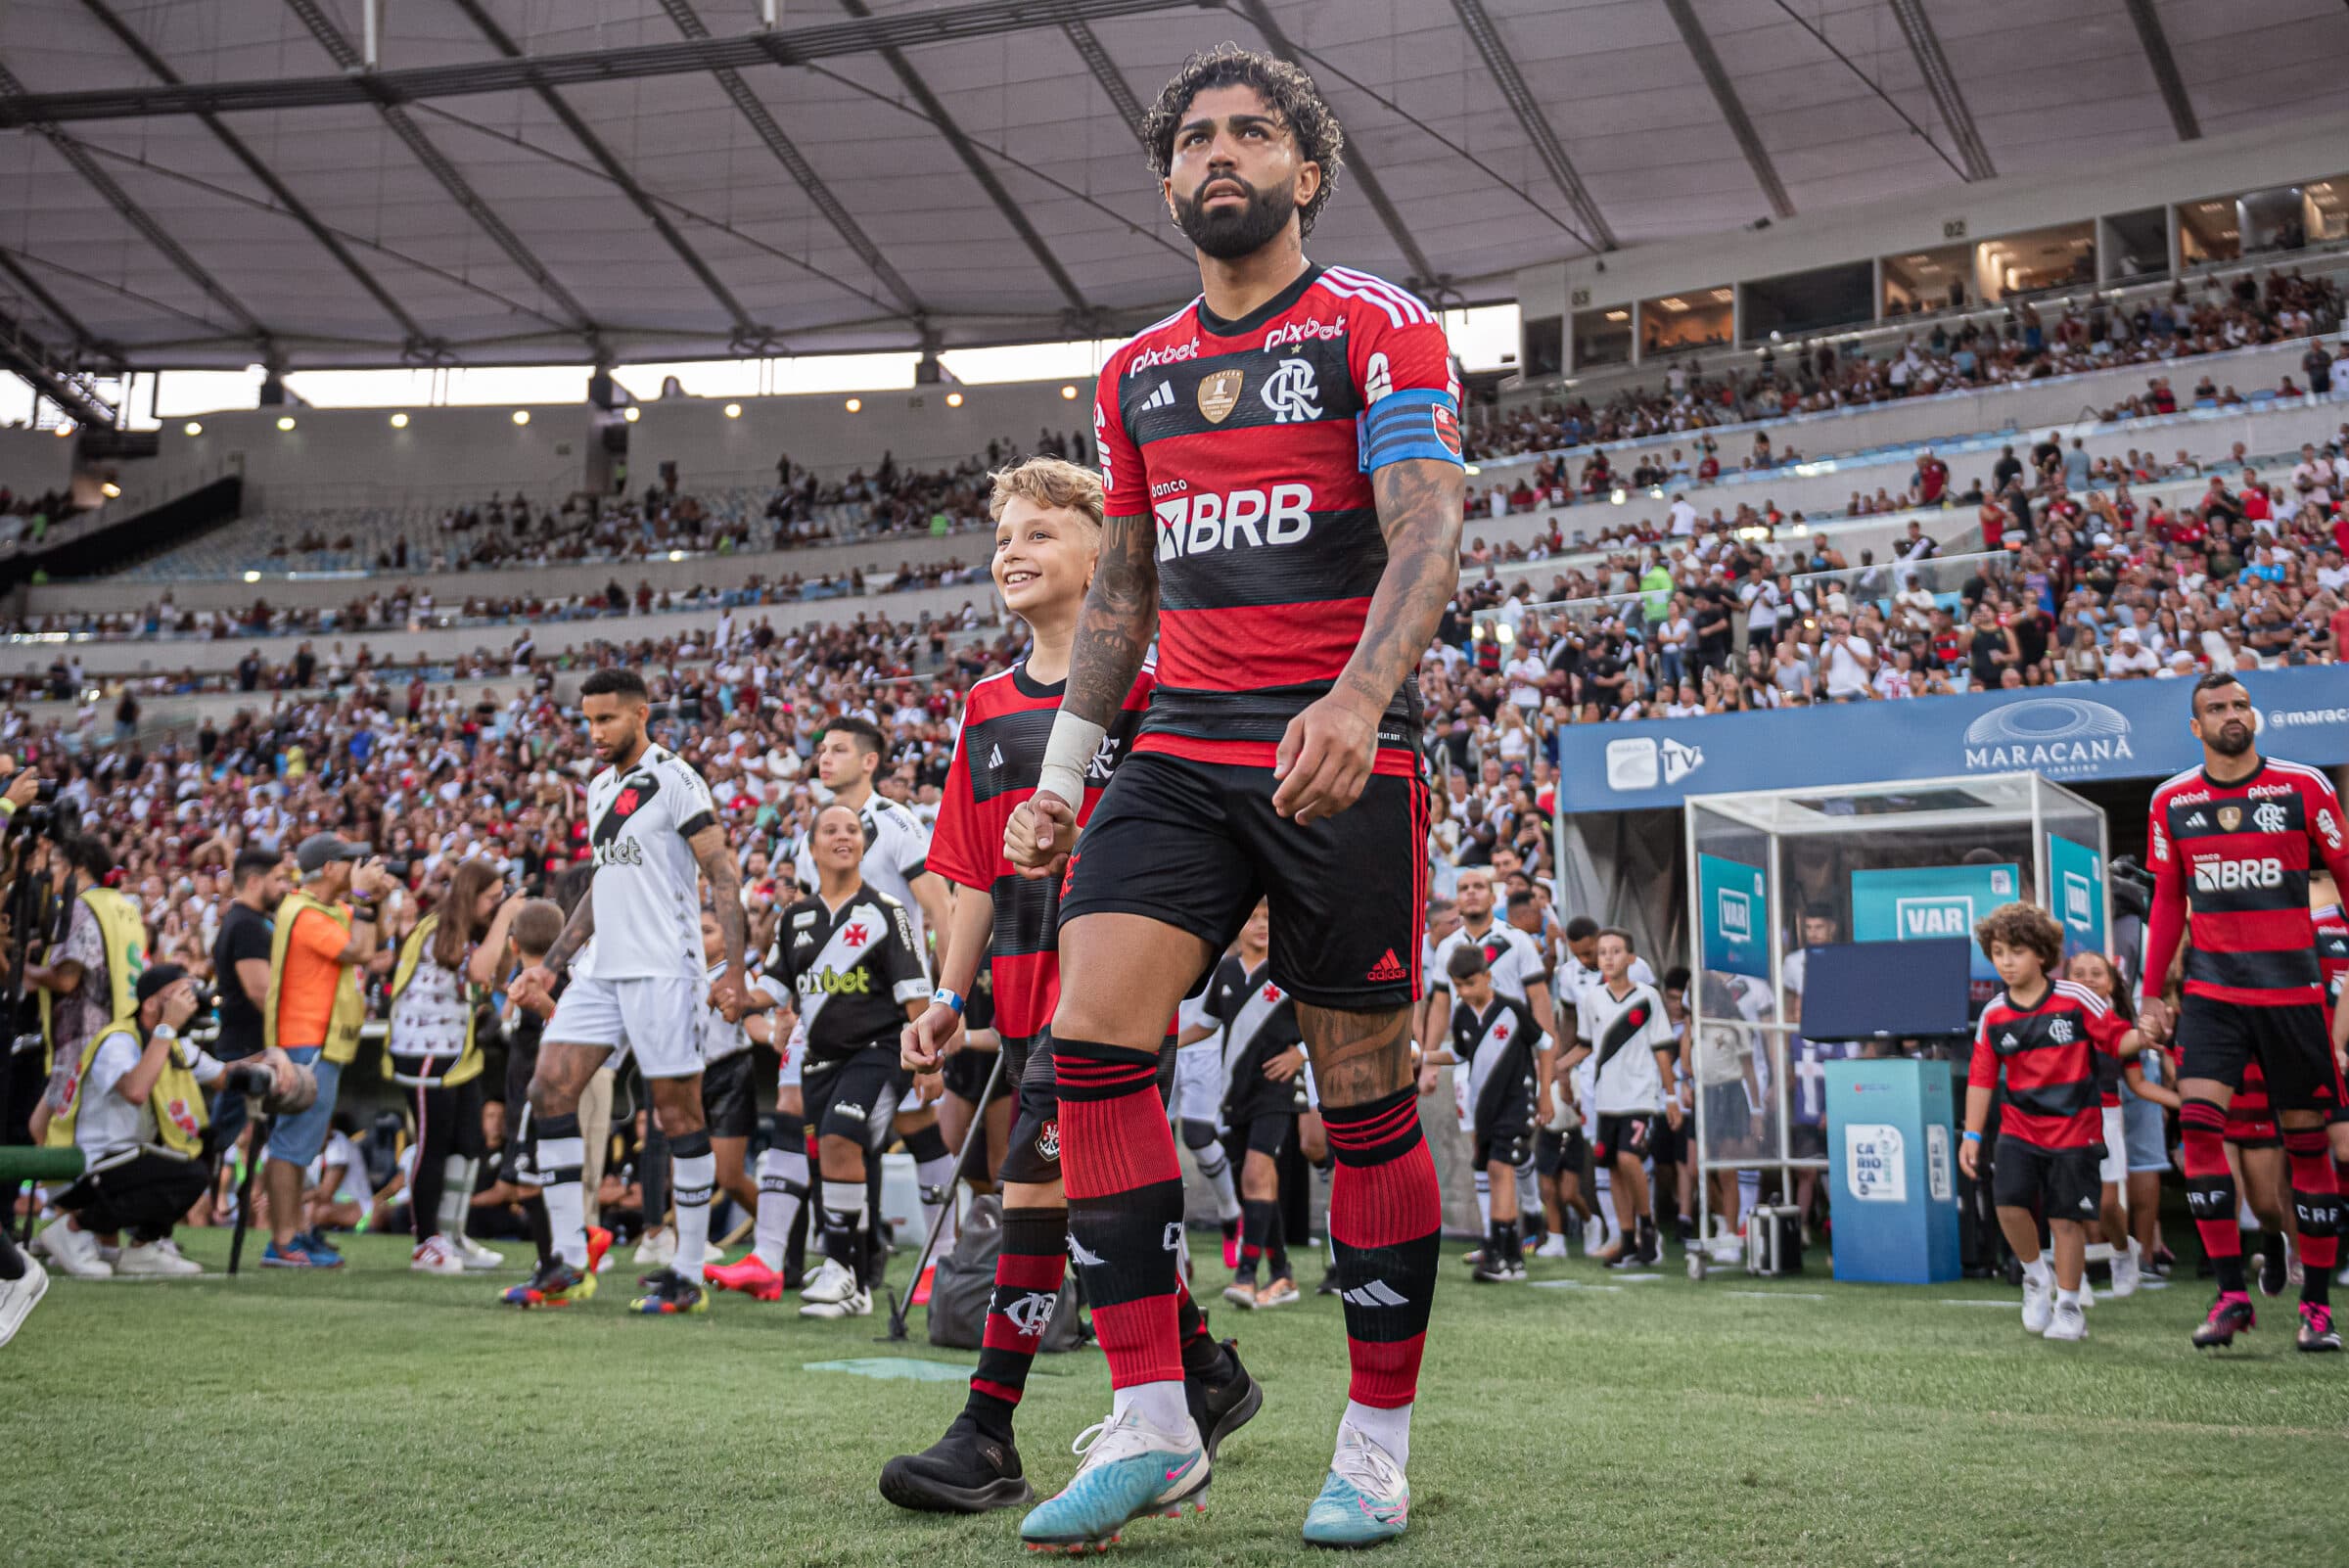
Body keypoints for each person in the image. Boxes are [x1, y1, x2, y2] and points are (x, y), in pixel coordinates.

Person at [1006, 43, 1464, 1549]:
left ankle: (1375, 1445)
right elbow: (1124, 591)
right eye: (1196, 137)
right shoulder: (1135, 371)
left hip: (1341, 749)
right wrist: (1065, 774)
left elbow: (1429, 529)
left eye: (1253, 132)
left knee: (1364, 1099)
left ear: (1306, 171)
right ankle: (1155, 1421)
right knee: (1091, 1046)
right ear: (1166, 182)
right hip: (1184, 747)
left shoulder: (1378, 326)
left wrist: (1359, 697)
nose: (1221, 153)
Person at [881, 456, 1258, 1515]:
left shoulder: (1154, 689)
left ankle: (987, 1431)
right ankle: (1207, 1371)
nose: (1014, 550)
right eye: (1005, 535)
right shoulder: (986, 705)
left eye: (1041, 532)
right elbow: (969, 872)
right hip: (1018, 992)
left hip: (1121, 990)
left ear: (1107, 559)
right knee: (1090, 1197)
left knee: (1035, 1188)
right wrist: (946, 997)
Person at [505, 667, 748, 1315]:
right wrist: (552, 966)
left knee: (676, 1114)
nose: (595, 732)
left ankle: (688, 1272)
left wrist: (734, 971)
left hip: (665, 968)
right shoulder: (599, 787)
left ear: (641, 715)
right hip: (602, 970)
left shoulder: (676, 779)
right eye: (588, 720)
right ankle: (566, 1259)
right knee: (548, 1089)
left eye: (606, 719)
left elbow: (722, 875)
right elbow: (601, 885)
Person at [2139, 672, 2349, 1353]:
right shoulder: (2171, 799)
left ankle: (2316, 1309)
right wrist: (2150, 992)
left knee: (2309, 1146)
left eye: (2240, 705)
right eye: (2217, 708)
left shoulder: (2303, 786)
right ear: (2195, 727)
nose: (2233, 714)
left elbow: (2346, 870)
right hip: (2213, 995)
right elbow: (2168, 900)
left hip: (2293, 993)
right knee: (2199, 1132)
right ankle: (2232, 1296)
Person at [764, 803, 930, 1319]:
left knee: (840, 1139)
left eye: (853, 830)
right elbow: (774, 989)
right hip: (819, 1060)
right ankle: (853, 1282)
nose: (844, 836)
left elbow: (914, 992)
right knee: (829, 1159)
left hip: (879, 1052)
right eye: (832, 830)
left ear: (863, 845)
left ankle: (839, 1268)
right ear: (811, 847)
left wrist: (931, 1061)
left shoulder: (886, 911)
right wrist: (737, 997)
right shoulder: (794, 918)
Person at [1960, 904, 2146, 1342]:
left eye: (2016, 951)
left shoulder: (2076, 998)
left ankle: (2068, 1308)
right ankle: (2035, 1277)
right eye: (1998, 952)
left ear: (2042, 954)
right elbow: (1981, 1077)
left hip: (2075, 1131)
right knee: (2008, 1206)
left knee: (2066, 1221)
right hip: (2019, 1129)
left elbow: (2117, 1039)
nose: (2006, 962)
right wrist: (1971, 1133)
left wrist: (2149, 1036)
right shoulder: (1993, 1014)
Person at [33, 965, 285, 1277]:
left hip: (126, 1161)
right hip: (85, 1165)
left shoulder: (175, 1043)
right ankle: (72, 1230)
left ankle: (143, 1247)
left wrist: (273, 1056)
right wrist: (167, 1027)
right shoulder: (118, 1041)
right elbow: (135, 1090)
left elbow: (223, 1076)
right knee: (187, 1173)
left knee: (202, 1153)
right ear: (151, 1003)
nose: (189, 1002)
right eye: (180, 994)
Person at [385, 858, 524, 1275]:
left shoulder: (471, 930)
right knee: (433, 1146)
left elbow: (495, 976)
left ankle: (452, 1235)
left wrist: (503, 928)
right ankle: (425, 1241)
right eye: (491, 897)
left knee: (468, 1142)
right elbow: (478, 970)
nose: (497, 904)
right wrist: (504, 918)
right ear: (471, 895)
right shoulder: (439, 929)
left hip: (456, 1054)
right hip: (424, 1054)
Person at [259, 834, 392, 1268]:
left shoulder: (329, 908)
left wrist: (375, 901)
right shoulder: (303, 912)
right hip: (304, 1041)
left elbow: (379, 937)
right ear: (330, 868)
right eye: (350, 862)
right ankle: (283, 1241)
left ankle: (296, 1232)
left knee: (303, 1144)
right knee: (291, 1143)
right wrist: (364, 899)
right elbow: (361, 950)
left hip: (323, 1040)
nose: (357, 868)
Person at [1419, 868, 1555, 1252]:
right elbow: (1439, 1006)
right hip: (1469, 1058)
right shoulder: (1448, 947)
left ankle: (1531, 1212)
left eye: (1479, 886)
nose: (1472, 893)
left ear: (1493, 897)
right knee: (1481, 1147)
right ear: (1457, 900)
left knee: (1510, 1151)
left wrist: (1547, 1062)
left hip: (1514, 1057)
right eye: (1464, 888)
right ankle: (1494, 1236)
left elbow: (1539, 1000)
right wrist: (1429, 1062)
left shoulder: (1517, 940)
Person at [1188, 901, 1310, 1310]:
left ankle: (1245, 1275)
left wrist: (1300, 1054)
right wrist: (1162, 1042)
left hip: (1277, 1090)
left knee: (1257, 1174)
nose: (1260, 925)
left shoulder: (1290, 968)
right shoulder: (1224, 971)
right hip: (1234, 1094)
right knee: (1257, 1183)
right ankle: (1282, 1273)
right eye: (1252, 918)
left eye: (1268, 918)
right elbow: (1206, 1025)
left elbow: (1321, 1021)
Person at [1419, 944, 1544, 1282]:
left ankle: (1501, 1250)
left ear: (1488, 976)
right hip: (1484, 1108)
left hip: (1516, 1102)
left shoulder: (1512, 1009)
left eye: (1470, 983)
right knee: (1492, 1170)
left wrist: (1545, 1094)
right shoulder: (1462, 1014)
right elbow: (1460, 1054)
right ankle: (1509, 1255)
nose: (1463, 991)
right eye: (1457, 985)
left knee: (1500, 1169)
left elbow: (1545, 1044)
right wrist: (1425, 1057)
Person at [1556, 929, 1679, 1268]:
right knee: (1611, 1164)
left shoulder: (1648, 997)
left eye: (1616, 951)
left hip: (1640, 1094)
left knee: (1628, 1157)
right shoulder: (1592, 999)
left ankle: (1647, 1227)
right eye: (1603, 952)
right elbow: (1586, 1044)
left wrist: (1671, 1096)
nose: (1609, 958)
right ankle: (1626, 1239)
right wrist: (1559, 1066)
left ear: (1631, 957)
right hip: (1605, 1095)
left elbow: (1662, 1049)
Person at [491, 899, 568, 1287]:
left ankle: (554, 1261)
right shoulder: (540, 979)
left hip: (534, 1094)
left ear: (513, 943)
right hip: (536, 1091)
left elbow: (565, 1024)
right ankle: (559, 1256)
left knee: (529, 1181)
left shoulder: (546, 984)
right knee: (539, 1179)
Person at [2063, 951, 2146, 1297]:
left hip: (2107, 1117)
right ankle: (2073, 1278)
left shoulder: (2119, 1027)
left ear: (2111, 982)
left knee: (2106, 1205)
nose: (2087, 978)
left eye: (2096, 973)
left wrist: (2184, 1101)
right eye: (2079, 973)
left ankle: (2123, 1251)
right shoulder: (2055, 1020)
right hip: (2064, 1118)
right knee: (2068, 1201)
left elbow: (2139, 1084)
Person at [207, 848, 288, 1163]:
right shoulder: (246, 925)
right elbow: (260, 992)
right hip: (248, 1051)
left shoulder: (250, 921)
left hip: (246, 1046)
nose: (284, 887)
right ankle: (209, 1190)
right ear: (254, 881)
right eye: (278, 879)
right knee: (225, 1144)